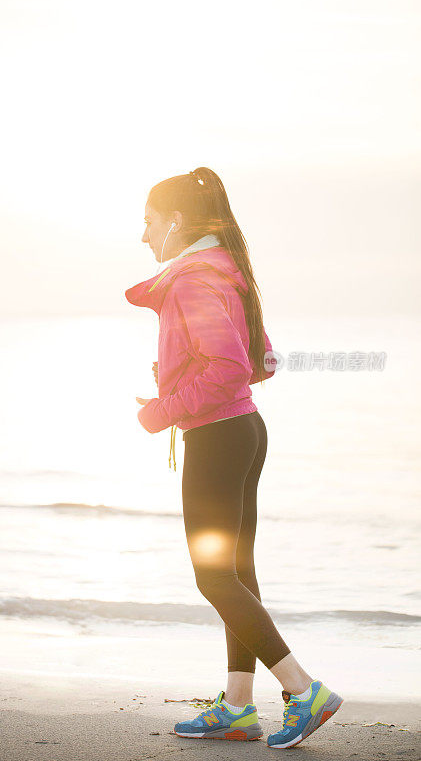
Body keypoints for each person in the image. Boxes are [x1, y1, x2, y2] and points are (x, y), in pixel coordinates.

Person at [124, 167, 343, 749]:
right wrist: (181, 386)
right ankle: (240, 707)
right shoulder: (229, 271)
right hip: (244, 432)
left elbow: (226, 369)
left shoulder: (194, 280)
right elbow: (260, 362)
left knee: (214, 575)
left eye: (147, 222)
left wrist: (161, 410)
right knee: (237, 573)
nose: (143, 235)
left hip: (218, 440)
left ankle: (303, 691)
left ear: (173, 222)